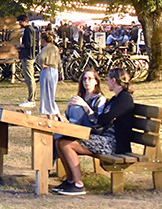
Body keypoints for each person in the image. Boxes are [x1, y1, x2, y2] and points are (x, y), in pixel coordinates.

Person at [55, 68, 135, 196]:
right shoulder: (116, 98)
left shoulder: (124, 98)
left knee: (66, 144)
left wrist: (107, 117)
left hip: (114, 144)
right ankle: (70, 181)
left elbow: (103, 119)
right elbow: (105, 118)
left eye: (108, 79)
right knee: (60, 141)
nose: (107, 82)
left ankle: (78, 184)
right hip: (105, 138)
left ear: (114, 81)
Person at [37, 32, 61, 120]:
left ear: (43, 40)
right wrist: (61, 72)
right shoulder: (55, 48)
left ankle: (50, 116)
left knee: (46, 94)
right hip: (55, 71)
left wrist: (42, 64)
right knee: (52, 94)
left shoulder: (46, 48)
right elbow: (59, 61)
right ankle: (57, 115)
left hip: (47, 71)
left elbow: (41, 58)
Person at [16, 15, 37, 108]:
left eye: (20, 22)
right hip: (29, 56)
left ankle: (31, 99)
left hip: (28, 57)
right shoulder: (30, 29)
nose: (19, 24)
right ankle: (31, 98)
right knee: (30, 78)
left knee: (29, 78)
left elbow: (29, 44)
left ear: (25, 21)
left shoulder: (28, 30)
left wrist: (20, 46)